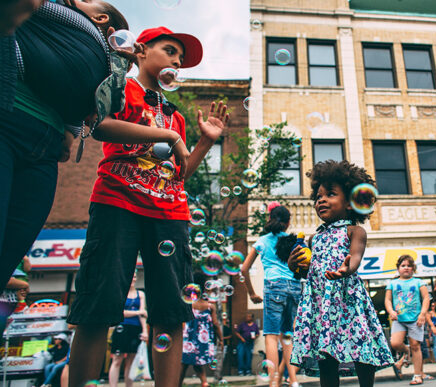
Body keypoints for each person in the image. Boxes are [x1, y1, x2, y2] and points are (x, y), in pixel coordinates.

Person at [67, 26, 229, 387]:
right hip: (117, 203)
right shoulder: (122, 86)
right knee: (98, 306)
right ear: (140, 51)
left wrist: (203, 141)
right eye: (170, 50)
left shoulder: (175, 115)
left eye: (180, 58)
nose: (176, 60)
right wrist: (168, 136)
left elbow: (179, 171)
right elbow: (102, 127)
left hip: (169, 213)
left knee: (170, 312)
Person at [0, 0, 130, 291]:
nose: (76, 2)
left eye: (85, 1)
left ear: (101, 19)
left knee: (14, 243)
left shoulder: (106, 54)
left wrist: (71, 131)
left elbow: (94, 102)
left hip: (46, 146)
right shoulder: (44, 11)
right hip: (7, 119)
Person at [288, 160, 394, 387]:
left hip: (348, 300)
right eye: (318, 197)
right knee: (326, 356)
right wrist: (293, 265)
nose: (321, 200)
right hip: (321, 303)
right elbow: (305, 271)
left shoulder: (355, 231)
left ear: (350, 203)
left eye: (330, 194)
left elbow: (355, 257)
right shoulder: (313, 238)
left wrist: (348, 268)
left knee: (361, 350)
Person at [240, 205, 301, 387]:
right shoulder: (294, 241)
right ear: (288, 222)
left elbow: (243, 269)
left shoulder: (262, 241)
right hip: (295, 287)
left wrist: (251, 292)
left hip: (274, 287)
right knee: (288, 336)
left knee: (272, 336)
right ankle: (294, 381)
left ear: (270, 219)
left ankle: (274, 382)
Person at [385, 255, 430, 385]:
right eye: (403, 266)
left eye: (409, 266)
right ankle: (407, 350)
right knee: (395, 343)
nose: (406, 268)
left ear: (413, 268)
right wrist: (391, 311)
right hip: (399, 319)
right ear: (398, 268)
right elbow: (388, 300)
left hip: (416, 319)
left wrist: (422, 314)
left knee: (416, 346)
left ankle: (417, 376)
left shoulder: (419, 282)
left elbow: (426, 298)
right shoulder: (392, 283)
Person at [180, 273, 223, 387]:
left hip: (188, 338)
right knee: (197, 361)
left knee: (184, 363)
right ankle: (204, 382)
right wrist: (221, 339)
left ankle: (178, 383)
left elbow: (182, 322)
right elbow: (215, 324)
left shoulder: (188, 305)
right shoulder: (209, 306)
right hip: (202, 339)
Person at [109, 271, 148, 387]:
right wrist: (138, 312)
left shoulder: (141, 294)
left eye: (134, 276)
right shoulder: (120, 293)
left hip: (135, 329)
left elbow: (143, 315)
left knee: (131, 362)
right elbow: (120, 313)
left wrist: (145, 331)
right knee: (117, 360)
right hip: (122, 329)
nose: (132, 279)